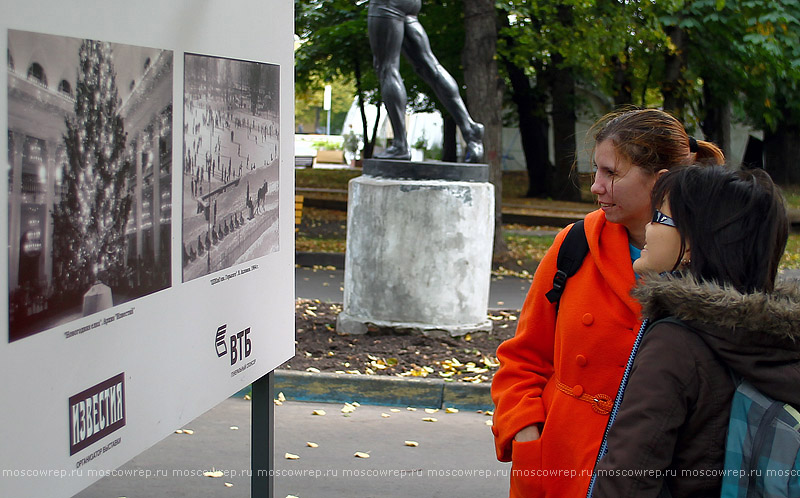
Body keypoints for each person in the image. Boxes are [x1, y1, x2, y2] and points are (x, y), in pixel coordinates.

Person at [490, 108, 725, 498]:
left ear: (661, 180)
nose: (596, 187)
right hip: (557, 466)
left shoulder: (712, 261)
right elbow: (521, 359)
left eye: (611, 174)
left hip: (657, 476)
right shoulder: (575, 242)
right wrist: (526, 437)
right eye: (595, 172)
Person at [590, 165, 800, 497]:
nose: (647, 228)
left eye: (659, 219)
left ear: (692, 246)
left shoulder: (676, 343)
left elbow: (627, 478)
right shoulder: (775, 338)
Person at [367, 0, 484, 162]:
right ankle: (469, 128)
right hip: (410, 4)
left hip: (387, 3)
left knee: (387, 68)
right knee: (429, 66)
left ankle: (400, 145)